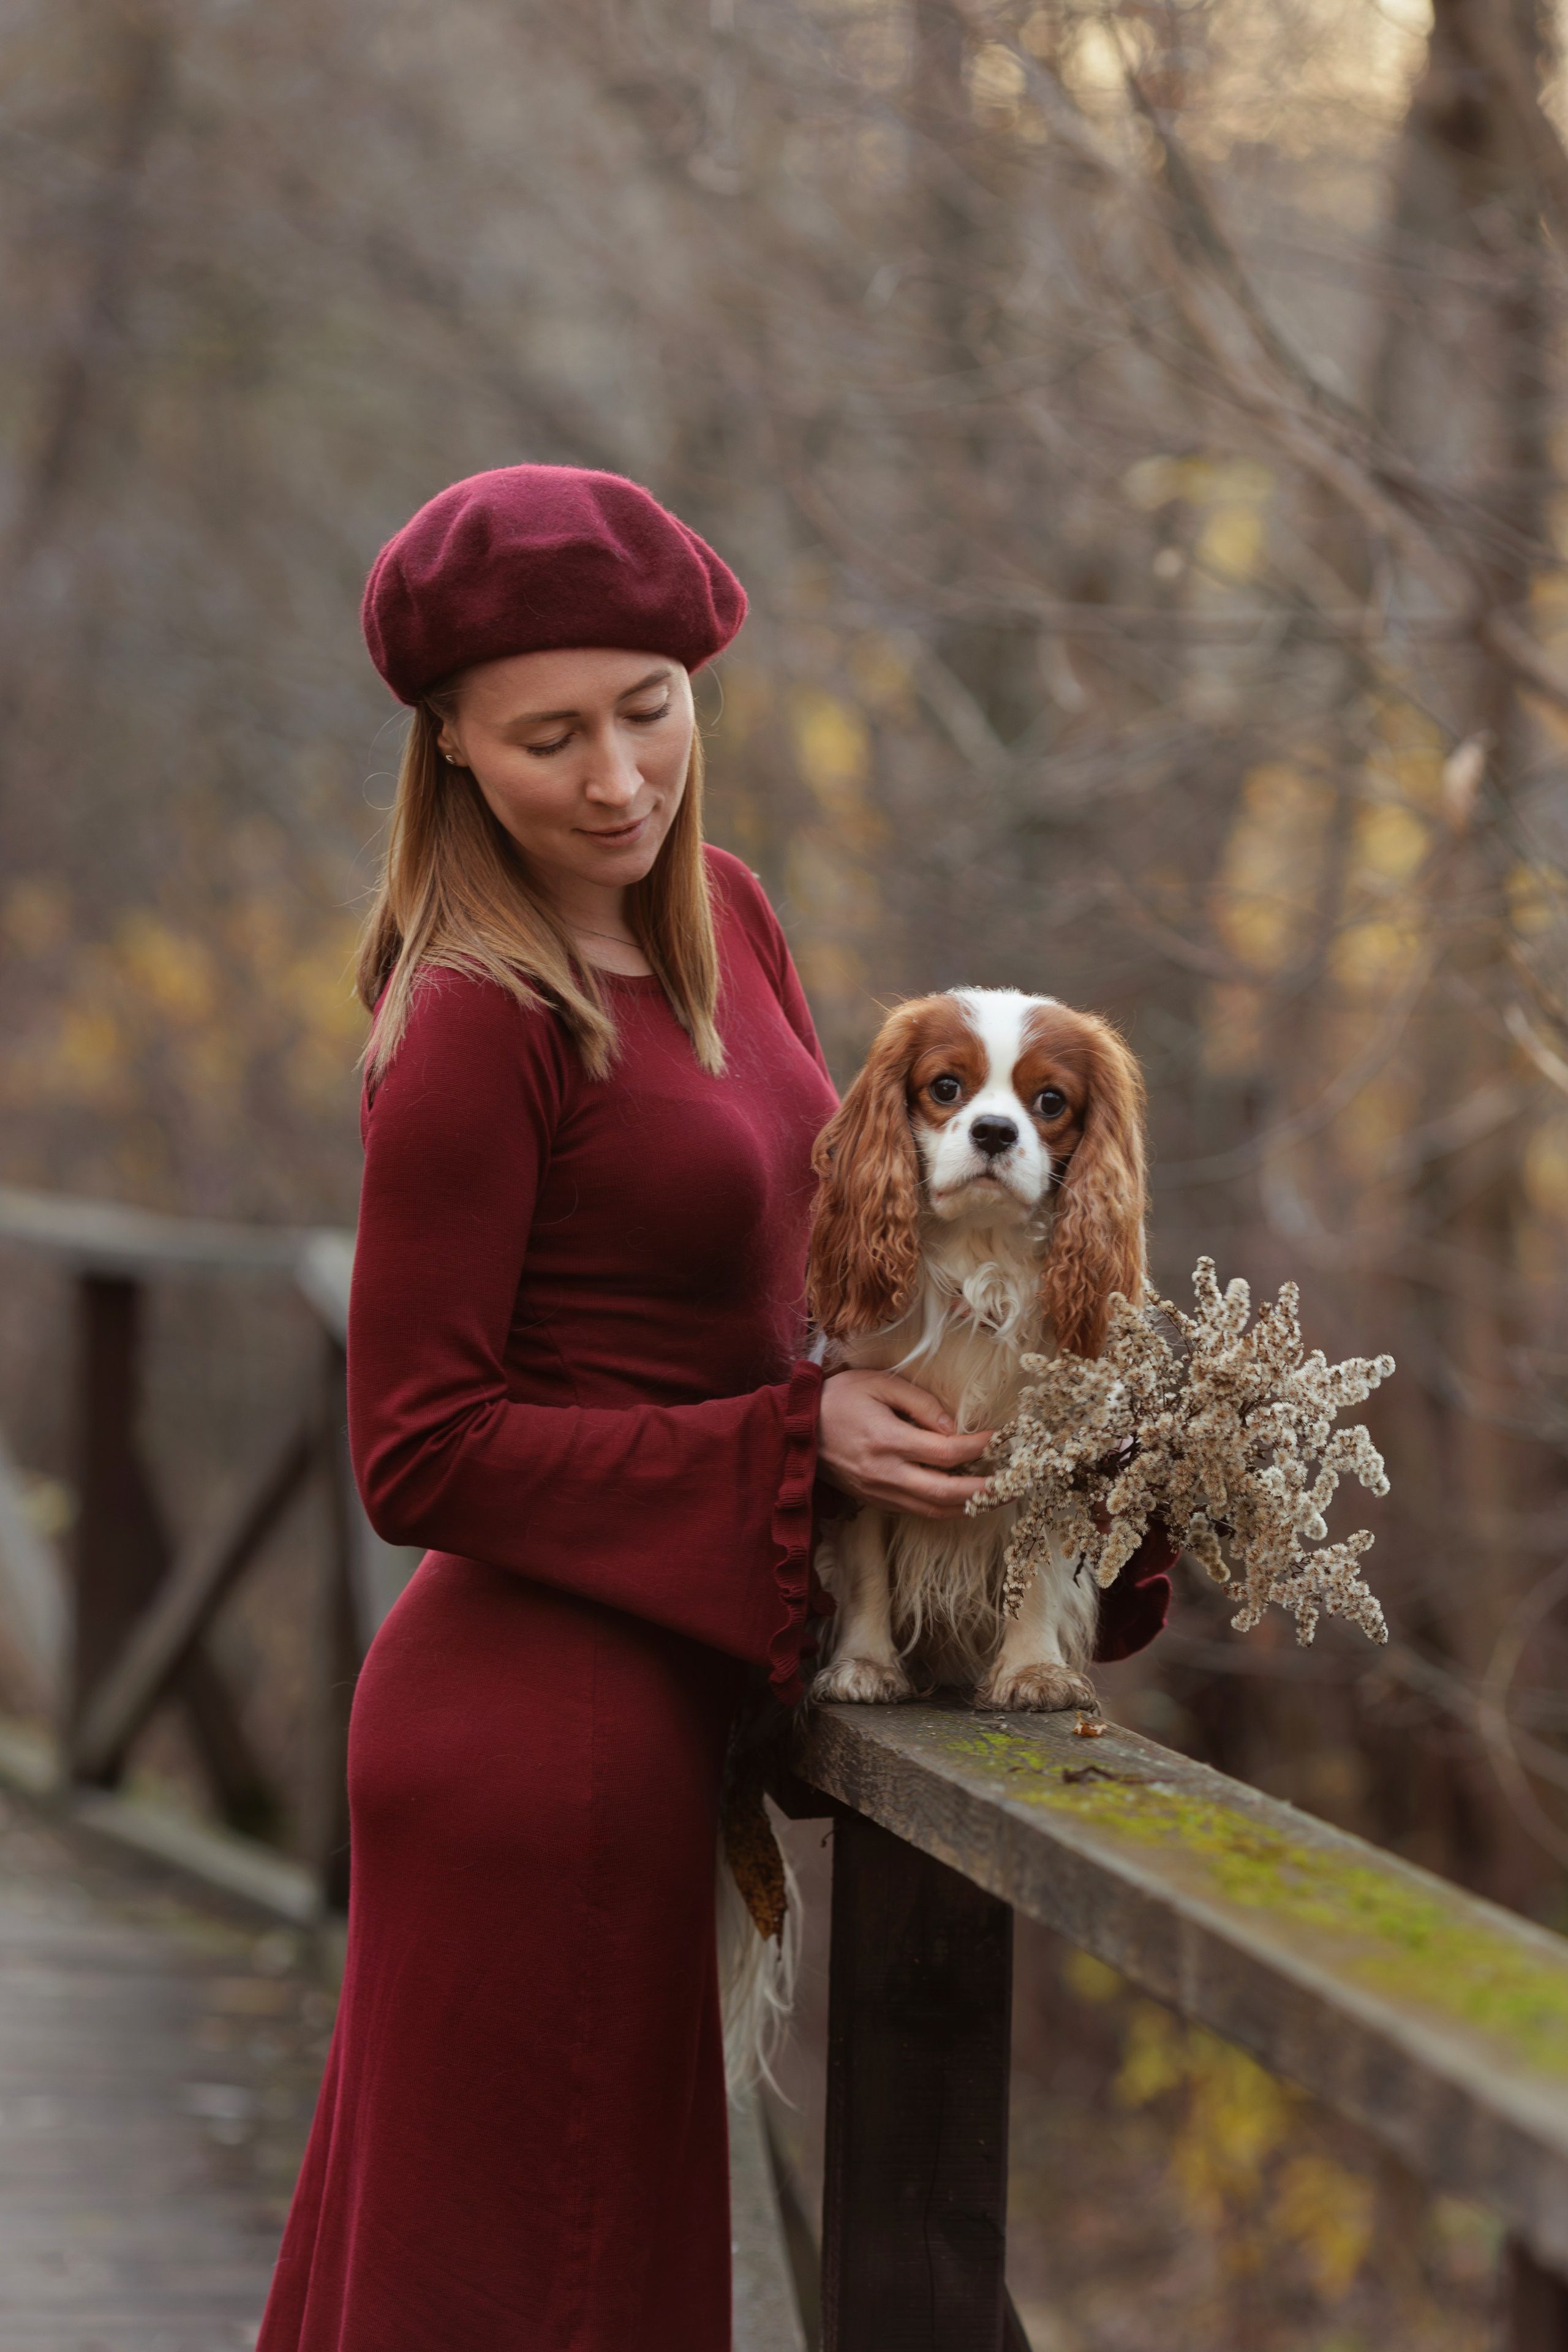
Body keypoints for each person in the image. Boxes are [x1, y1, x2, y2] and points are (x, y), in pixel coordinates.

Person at [257, 464, 1172, 2352]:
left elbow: (838, 1269)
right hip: (535, 1745)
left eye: (647, 709)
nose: (614, 778)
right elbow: (415, 1448)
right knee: (548, 2293)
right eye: (545, 736)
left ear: (699, 684)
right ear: (446, 748)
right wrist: (793, 1442)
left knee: (585, 2276)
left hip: (672, 1717)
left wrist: (1082, 1446)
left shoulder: (730, 921)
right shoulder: (471, 1021)